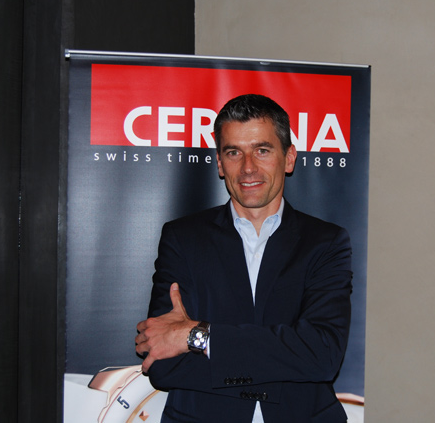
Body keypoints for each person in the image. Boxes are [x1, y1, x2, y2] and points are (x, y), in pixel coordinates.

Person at [135, 94, 353, 422]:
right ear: (220, 164)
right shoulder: (182, 238)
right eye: (233, 152)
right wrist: (280, 363)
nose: (248, 167)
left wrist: (196, 336)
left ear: (289, 158)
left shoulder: (325, 243)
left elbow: (322, 355)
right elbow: (163, 364)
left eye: (262, 150)